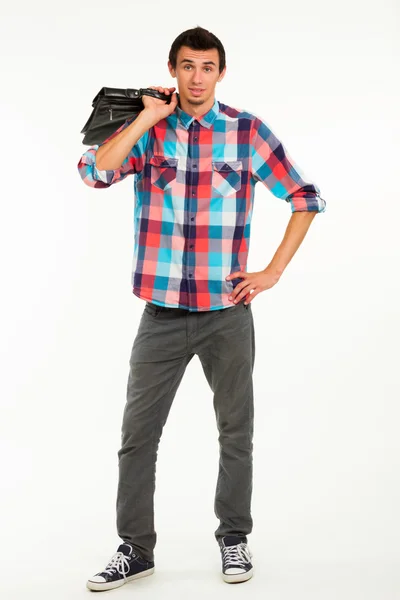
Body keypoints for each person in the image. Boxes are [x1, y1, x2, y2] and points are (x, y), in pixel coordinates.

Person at [77, 25, 326, 592]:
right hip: (160, 316)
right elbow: (95, 171)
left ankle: (233, 538)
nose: (196, 77)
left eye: (207, 66)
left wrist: (272, 272)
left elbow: (305, 198)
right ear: (173, 70)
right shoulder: (150, 132)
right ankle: (135, 550)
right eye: (187, 66)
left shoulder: (246, 132)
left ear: (221, 72)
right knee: (137, 436)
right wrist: (144, 117)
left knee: (236, 431)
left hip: (226, 314)